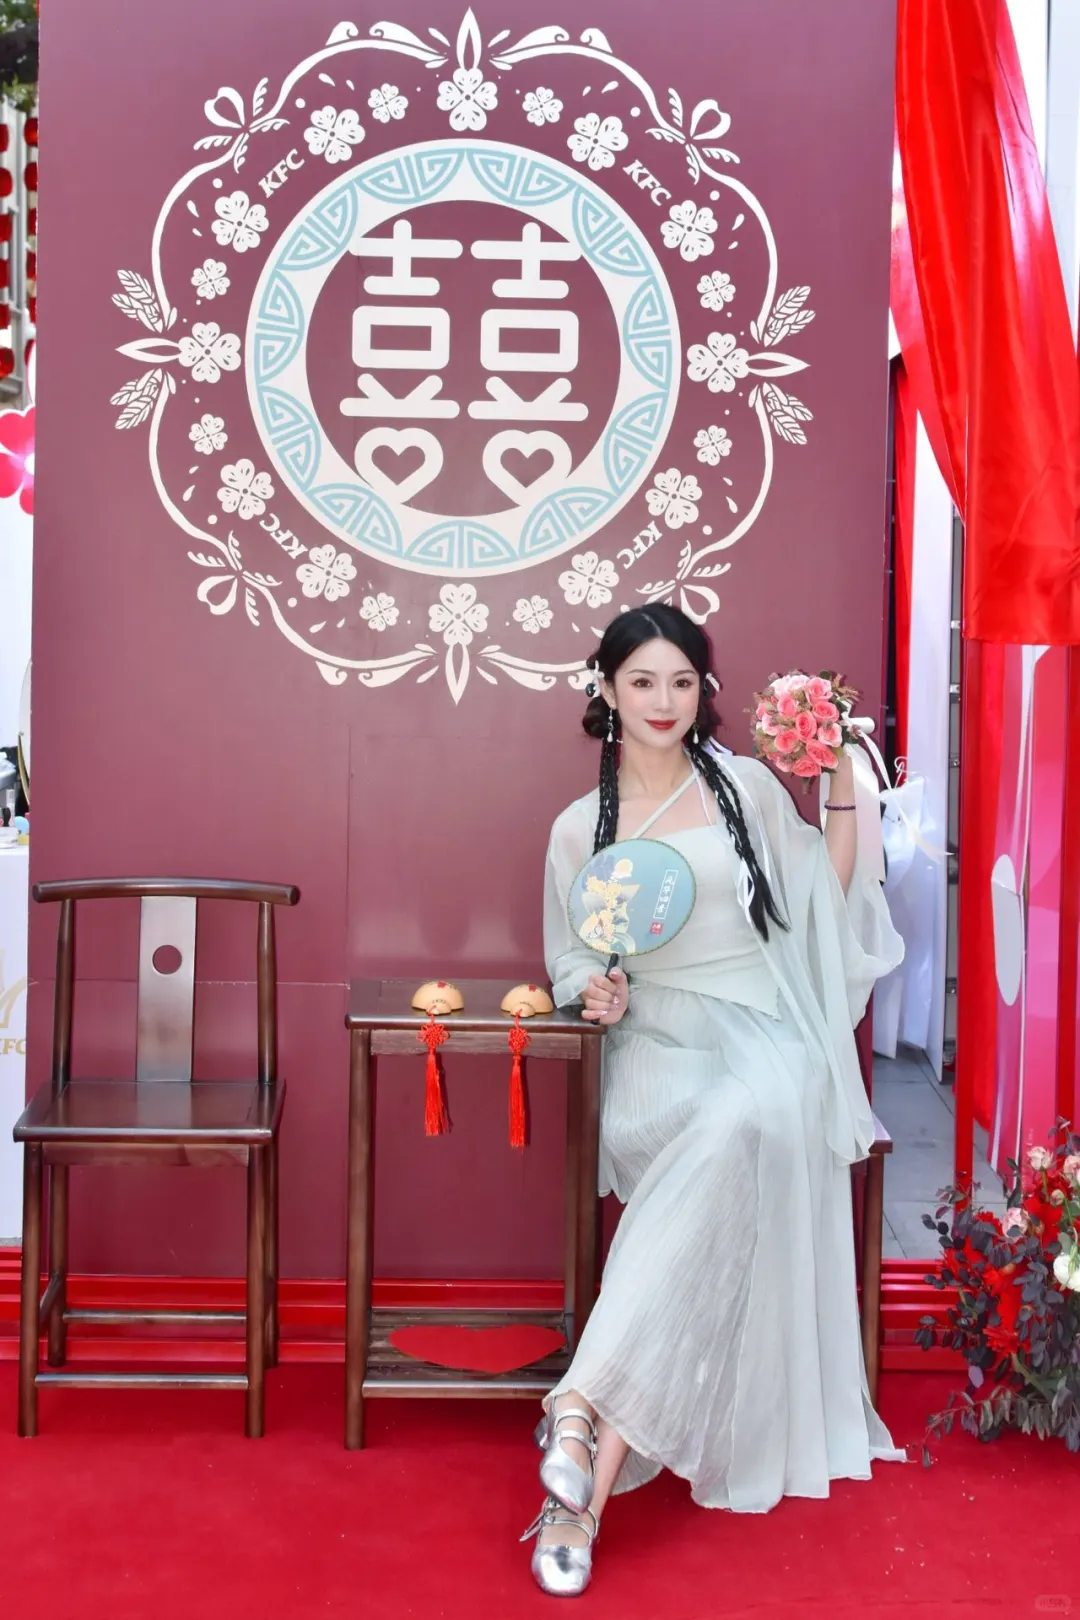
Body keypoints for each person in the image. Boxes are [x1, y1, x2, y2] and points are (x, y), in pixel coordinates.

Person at [522, 605, 906, 1597]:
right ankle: (581, 1434)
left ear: (706, 691)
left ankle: (580, 1463)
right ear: (607, 690)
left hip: (761, 1037)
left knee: (746, 1118)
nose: (664, 701)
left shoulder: (743, 790)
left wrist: (837, 775)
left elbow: (822, 897)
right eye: (643, 681)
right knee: (721, 1137)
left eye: (683, 682)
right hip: (653, 1049)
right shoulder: (577, 828)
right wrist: (597, 993)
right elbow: (571, 959)